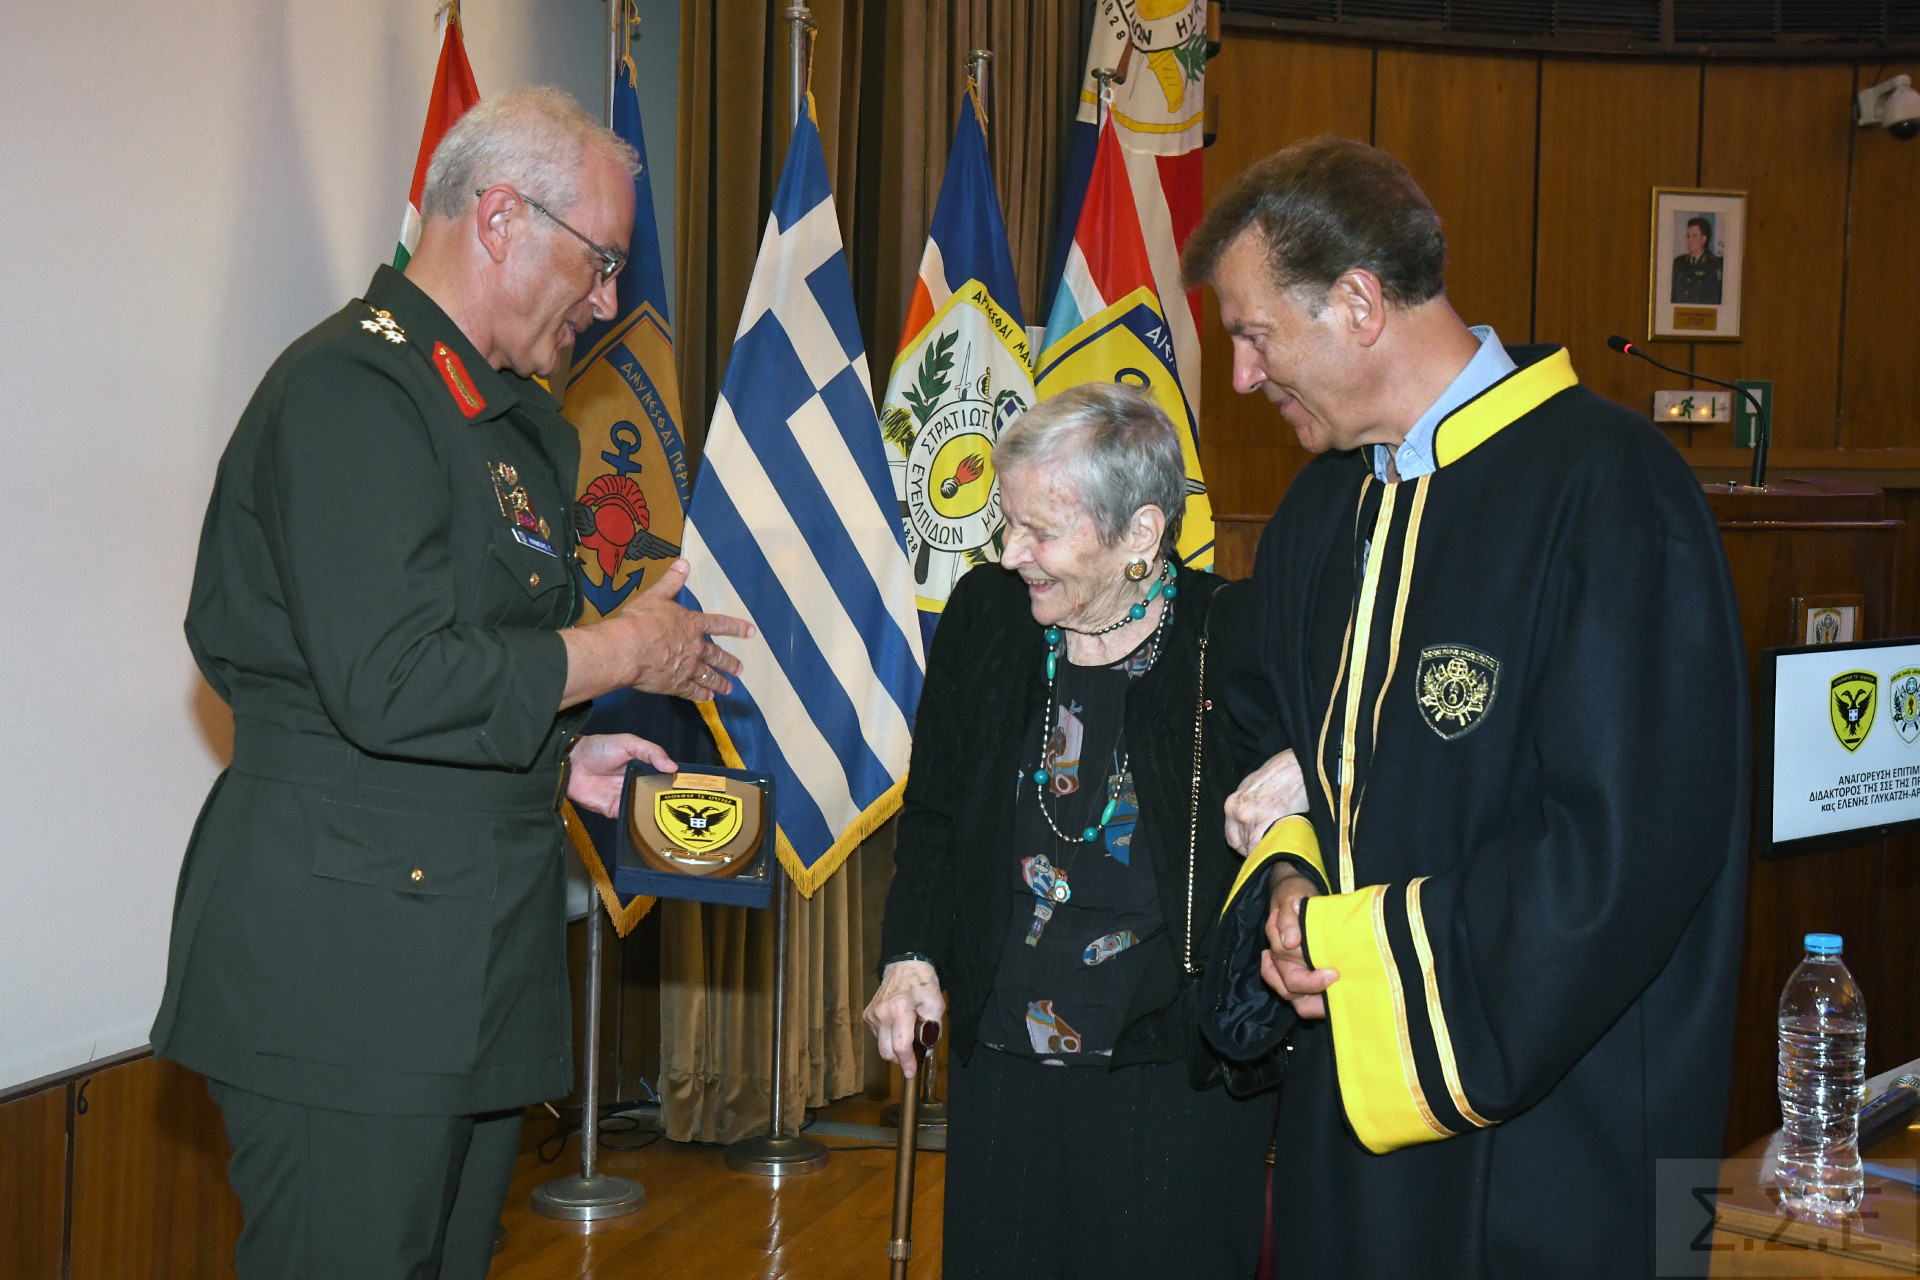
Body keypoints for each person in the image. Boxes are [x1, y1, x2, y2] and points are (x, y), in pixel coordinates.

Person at [150, 87, 753, 1280]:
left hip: (459, 958)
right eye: (601, 261)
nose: (608, 300)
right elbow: (388, 676)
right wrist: (621, 652)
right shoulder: (354, 390)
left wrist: (559, 753)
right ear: (499, 216)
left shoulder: (499, 419)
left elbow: (462, 655)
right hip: (349, 968)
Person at [1182, 137, 1749, 1278]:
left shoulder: (1612, 488)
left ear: (1358, 304)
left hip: (1562, 1138)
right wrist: (1290, 888)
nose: (1240, 376)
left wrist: (1360, 950)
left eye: (1253, 334)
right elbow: (1264, 730)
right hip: (1347, 1121)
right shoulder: (1320, 510)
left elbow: (1624, 852)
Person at [865, 383, 1291, 1279]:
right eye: (1008, 524)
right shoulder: (987, 616)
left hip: (1169, 1076)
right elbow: (935, 811)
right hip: (1000, 1057)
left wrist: (1305, 773)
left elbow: (1352, 771)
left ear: (1141, 534)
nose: (1012, 553)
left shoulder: (1233, 638)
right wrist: (909, 954)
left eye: (1042, 532)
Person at [1672, 215, 1724, 305]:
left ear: (1704, 239)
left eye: (1694, 236)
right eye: (1688, 236)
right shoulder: (1679, 262)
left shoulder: (1713, 264)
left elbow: (1714, 298)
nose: (1689, 240)